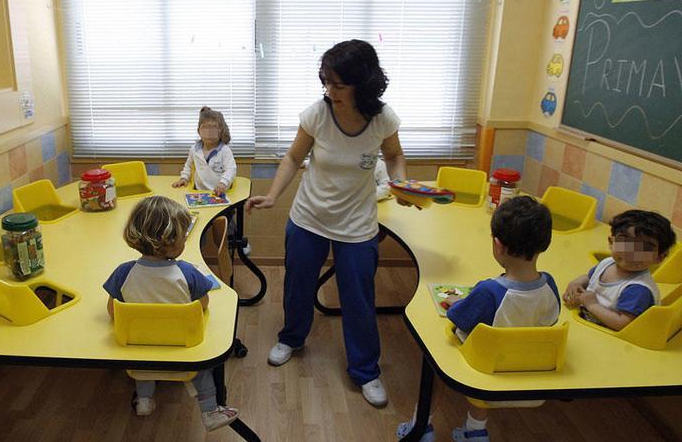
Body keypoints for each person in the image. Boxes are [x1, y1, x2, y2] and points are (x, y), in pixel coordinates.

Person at [245, 39, 409, 407]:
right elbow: (292, 157)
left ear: (362, 83)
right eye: (326, 82)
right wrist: (272, 196)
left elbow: (395, 155)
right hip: (308, 218)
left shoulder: (383, 118)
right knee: (297, 286)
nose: (329, 91)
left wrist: (400, 184)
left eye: (338, 84)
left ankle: (366, 370)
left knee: (359, 299)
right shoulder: (317, 114)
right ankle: (291, 337)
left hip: (357, 226)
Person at [397, 195, 559, 442]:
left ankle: (421, 427)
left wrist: (457, 303)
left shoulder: (489, 291)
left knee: (434, 359)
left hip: (484, 367)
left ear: (497, 245)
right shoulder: (551, 285)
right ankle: (475, 430)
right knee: (491, 351)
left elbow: (457, 317)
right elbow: (551, 319)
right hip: (528, 365)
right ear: (544, 244)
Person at [102, 196, 239, 431]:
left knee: (143, 363)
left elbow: (112, 310)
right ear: (171, 241)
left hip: (140, 344)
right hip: (182, 347)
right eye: (184, 236)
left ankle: (144, 400)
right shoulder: (186, 273)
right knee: (202, 365)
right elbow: (203, 304)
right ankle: (209, 410)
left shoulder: (124, 272)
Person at [563, 209, 675, 331]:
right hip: (589, 325)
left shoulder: (638, 289)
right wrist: (576, 283)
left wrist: (592, 304)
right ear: (611, 242)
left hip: (611, 337)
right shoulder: (607, 263)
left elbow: (623, 324)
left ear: (659, 257)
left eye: (645, 247)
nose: (632, 251)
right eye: (625, 241)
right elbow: (590, 277)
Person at [173, 107, 237, 196]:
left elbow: (231, 169)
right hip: (199, 192)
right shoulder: (194, 149)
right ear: (199, 131)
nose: (209, 132)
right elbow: (188, 166)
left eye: (214, 127)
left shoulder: (225, 150)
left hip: (220, 192)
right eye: (206, 128)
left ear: (221, 131)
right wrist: (184, 178)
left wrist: (223, 183)